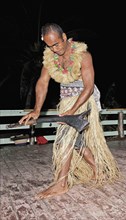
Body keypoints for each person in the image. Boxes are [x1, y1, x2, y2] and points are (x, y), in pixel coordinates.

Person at [18, 23, 120, 199]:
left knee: (65, 139)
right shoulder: (50, 58)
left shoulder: (83, 55)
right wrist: (36, 110)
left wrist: (73, 110)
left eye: (56, 44)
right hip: (67, 101)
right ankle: (98, 170)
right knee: (78, 143)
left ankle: (61, 183)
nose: (54, 49)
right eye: (49, 46)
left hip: (85, 100)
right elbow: (42, 82)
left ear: (64, 37)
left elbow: (88, 87)